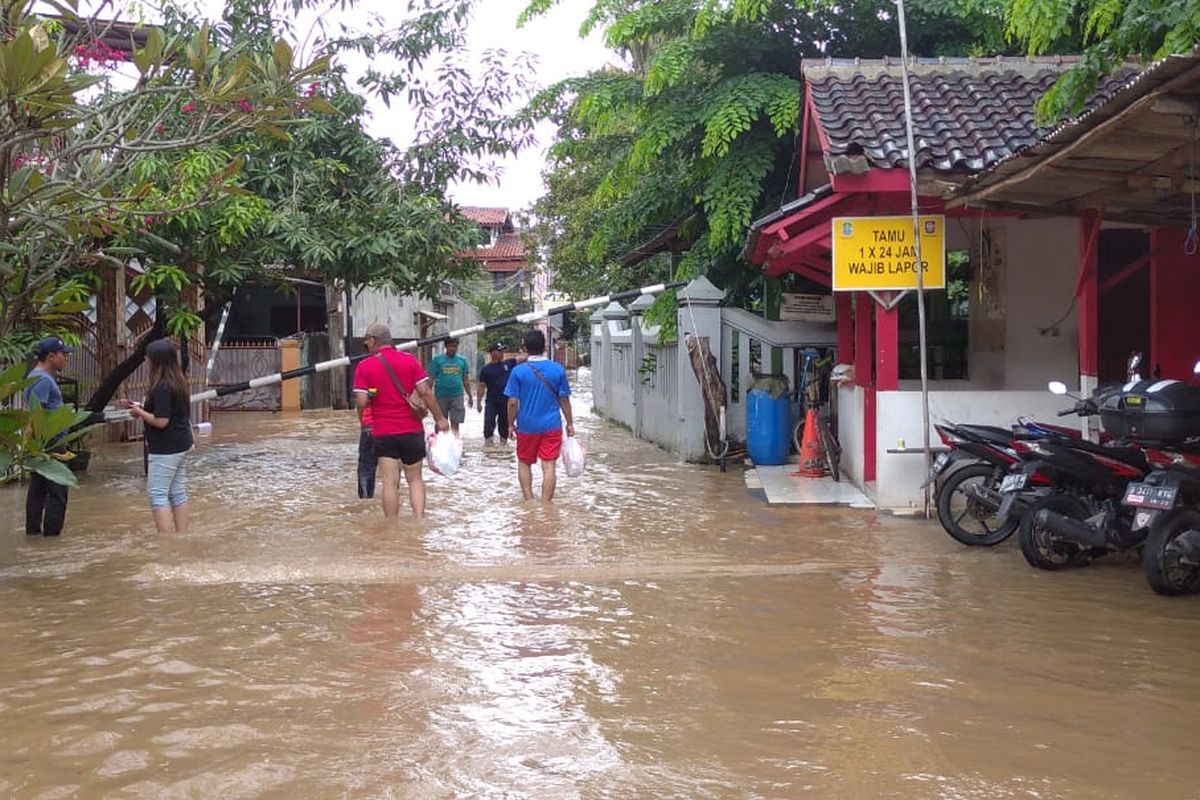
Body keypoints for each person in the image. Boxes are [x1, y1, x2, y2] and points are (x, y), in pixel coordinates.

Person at [353, 323, 450, 519]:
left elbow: (362, 401)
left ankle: (391, 526)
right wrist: (440, 418)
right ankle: (420, 521)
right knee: (415, 479)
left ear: (373, 340)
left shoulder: (364, 366)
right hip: (411, 430)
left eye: (367, 341)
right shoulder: (409, 360)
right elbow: (425, 392)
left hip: (384, 432)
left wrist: (362, 419)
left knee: (390, 482)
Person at [120, 338, 193, 534]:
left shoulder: (161, 386)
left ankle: (166, 543)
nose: (146, 361)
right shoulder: (178, 382)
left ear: (157, 361)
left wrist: (139, 413)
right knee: (177, 493)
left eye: (148, 358)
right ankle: (181, 537)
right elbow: (166, 411)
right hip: (182, 443)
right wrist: (141, 407)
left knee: (157, 494)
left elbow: (161, 421)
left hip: (166, 448)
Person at [505, 329, 575, 502]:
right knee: (549, 465)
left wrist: (510, 424)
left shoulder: (518, 372)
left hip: (527, 427)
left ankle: (529, 502)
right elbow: (564, 399)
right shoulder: (557, 369)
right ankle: (545, 504)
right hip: (552, 425)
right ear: (545, 346)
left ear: (525, 348)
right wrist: (570, 422)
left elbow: (512, 402)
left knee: (524, 462)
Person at [24, 336, 74, 536]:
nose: (66, 359)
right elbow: (39, 414)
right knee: (58, 489)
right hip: (49, 440)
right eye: (64, 354)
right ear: (51, 356)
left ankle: (34, 535)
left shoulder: (38, 377)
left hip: (42, 440)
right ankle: (52, 537)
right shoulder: (42, 380)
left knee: (38, 488)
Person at [426, 337, 471, 437]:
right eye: (451, 346)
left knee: (456, 422)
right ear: (446, 346)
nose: (453, 349)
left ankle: (455, 444)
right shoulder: (437, 360)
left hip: (457, 395)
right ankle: (437, 442)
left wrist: (470, 396)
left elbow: (466, 380)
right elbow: (430, 379)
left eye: (455, 346)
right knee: (440, 421)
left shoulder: (462, 361)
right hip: (440, 396)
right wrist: (426, 398)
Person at [477, 342, 519, 443]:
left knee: (504, 429)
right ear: (492, 353)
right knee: (488, 425)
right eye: (499, 351)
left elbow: (523, 359)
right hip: (491, 402)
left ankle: (503, 452)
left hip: (506, 402)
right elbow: (481, 386)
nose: (502, 353)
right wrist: (478, 402)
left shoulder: (508, 364)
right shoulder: (486, 369)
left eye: (502, 351)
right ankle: (489, 448)